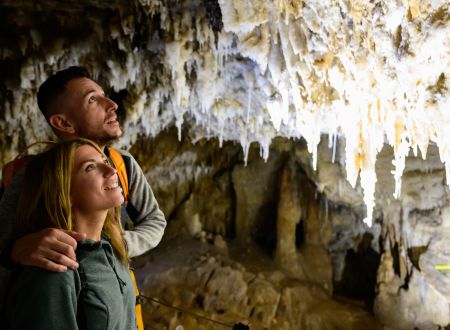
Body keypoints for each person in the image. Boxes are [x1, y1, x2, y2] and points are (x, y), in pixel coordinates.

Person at [0, 66, 166, 303]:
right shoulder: (31, 176)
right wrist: (15, 250)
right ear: (64, 122)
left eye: (104, 95)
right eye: (93, 99)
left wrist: (110, 248)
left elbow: (154, 221)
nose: (112, 104)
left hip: (113, 298)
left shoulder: (122, 165)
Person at [5, 138, 136, 329]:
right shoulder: (55, 269)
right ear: (65, 193)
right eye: (90, 168)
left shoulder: (111, 248)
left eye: (105, 161)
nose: (112, 170)